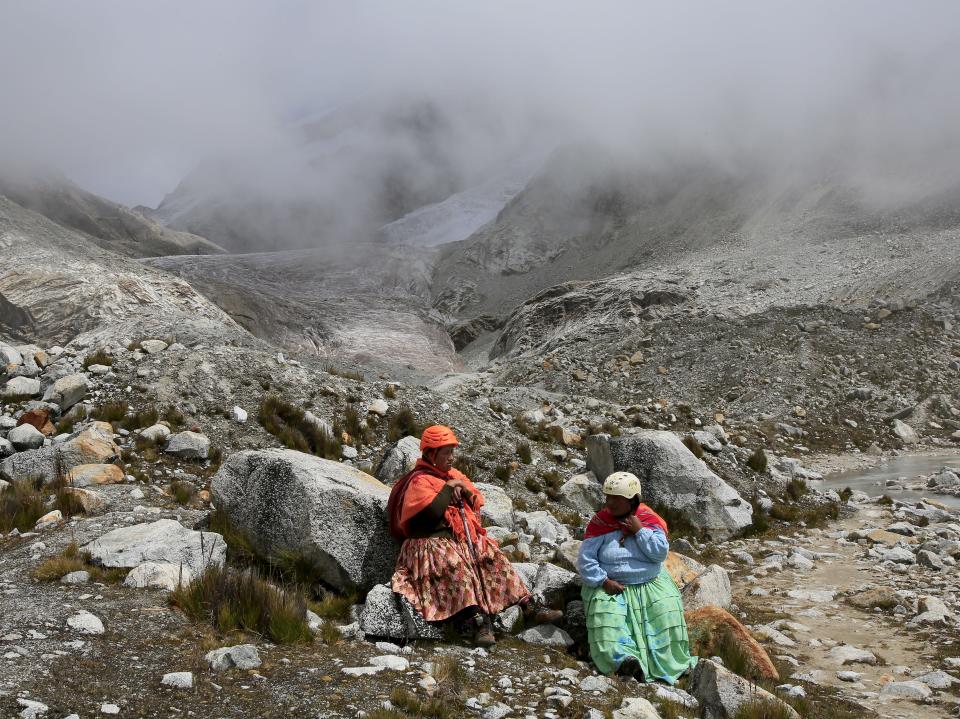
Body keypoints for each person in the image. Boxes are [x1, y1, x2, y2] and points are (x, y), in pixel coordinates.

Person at [388, 425, 562, 646]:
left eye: (452, 452)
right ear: (431, 454)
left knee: (490, 553)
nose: (451, 458)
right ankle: (475, 621)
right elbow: (431, 513)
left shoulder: (452, 475)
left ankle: (527, 604)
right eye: (446, 453)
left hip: (455, 539)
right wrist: (449, 488)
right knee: (454, 565)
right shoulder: (419, 481)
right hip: (428, 543)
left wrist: (463, 488)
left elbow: (476, 500)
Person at [577, 471, 697, 682]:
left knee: (666, 617)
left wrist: (640, 531)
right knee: (608, 626)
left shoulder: (649, 520)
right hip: (612, 586)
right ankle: (624, 662)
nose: (610, 503)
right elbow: (586, 560)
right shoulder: (600, 523)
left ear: (632, 500)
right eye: (608, 497)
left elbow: (659, 553)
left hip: (652, 584)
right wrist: (603, 581)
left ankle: (668, 662)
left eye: (617, 498)